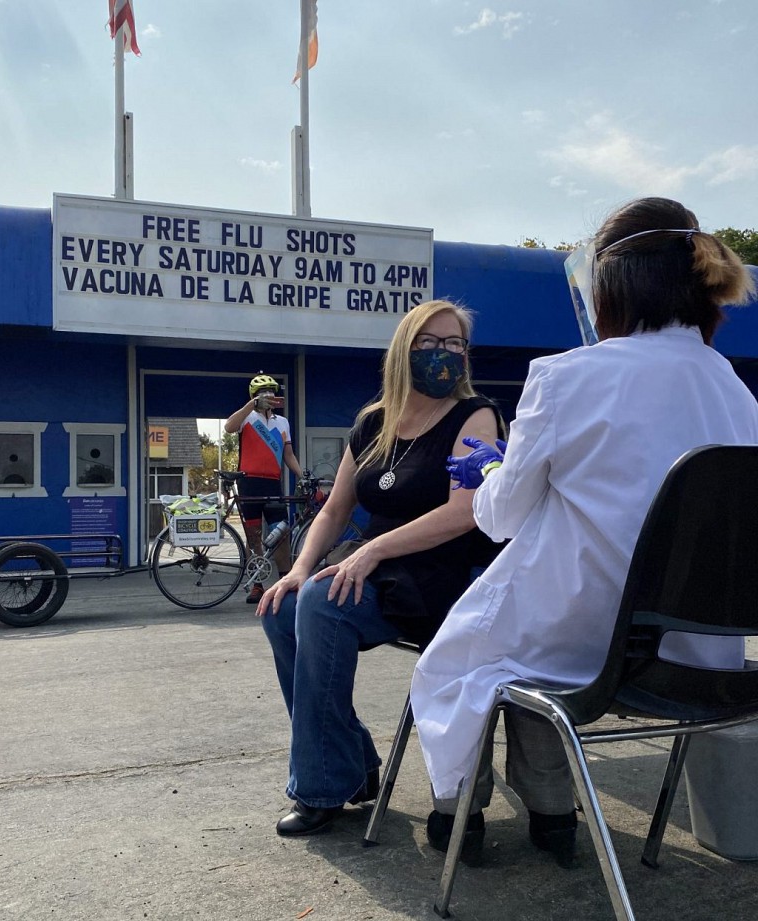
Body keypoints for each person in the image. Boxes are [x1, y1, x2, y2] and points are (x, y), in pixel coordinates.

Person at [411, 197, 758, 868]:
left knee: (454, 662)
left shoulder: (567, 377)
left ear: (610, 285)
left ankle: (459, 815)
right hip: (708, 664)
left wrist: (491, 473)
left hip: (593, 651)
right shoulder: (740, 397)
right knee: (506, 646)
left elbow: (500, 519)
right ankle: (552, 808)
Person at [256, 299, 505, 836]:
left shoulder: (474, 415)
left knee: (323, 606)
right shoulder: (373, 423)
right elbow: (336, 507)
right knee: (282, 607)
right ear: (403, 351)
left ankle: (320, 786)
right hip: (374, 571)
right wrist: (299, 566)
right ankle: (351, 765)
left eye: (455, 345)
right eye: (431, 345)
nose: (444, 355)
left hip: (438, 575)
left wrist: (371, 550)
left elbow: (464, 512)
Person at [224, 374, 304, 603]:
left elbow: (288, 455)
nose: (268, 396)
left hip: (272, 482)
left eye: (271, 392)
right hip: (249, 482)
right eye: (262, 393)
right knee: (254, 536)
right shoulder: (247, 417)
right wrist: (251, 405)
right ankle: (256, 585)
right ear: (254, 397)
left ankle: (285, 579)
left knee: (282, 534)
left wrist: (302, 476)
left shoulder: (283, 422)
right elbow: (230, 427)